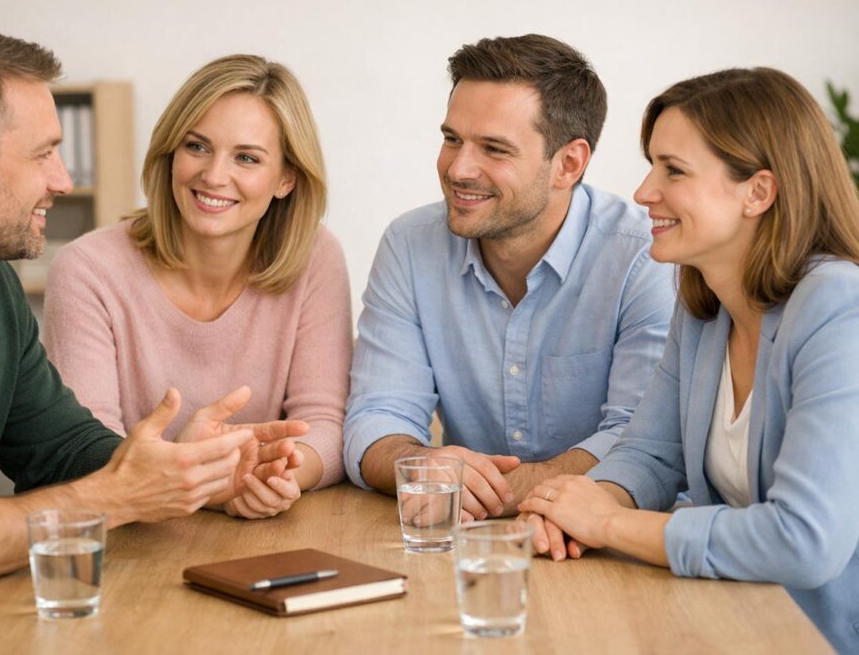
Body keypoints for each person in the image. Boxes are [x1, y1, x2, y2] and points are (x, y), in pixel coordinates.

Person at [0, 28, 305, 651]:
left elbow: (58, 447)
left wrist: (182, 469)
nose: (61, 179)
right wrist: (113, 497)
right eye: (42, 154)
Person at [518, 67, 859, 653]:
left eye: (673, 170)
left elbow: (805, 540)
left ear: (758, 191)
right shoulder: (706, 305)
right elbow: (652, 453)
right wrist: (578, 505)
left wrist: (607, 523)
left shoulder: (839, 310)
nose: (646, 191)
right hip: (728, 620)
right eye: (653, 165)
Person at [343, 35, 675, 525]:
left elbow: (639, 440)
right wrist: (421, 465)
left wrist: (488, 492)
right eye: (452, 138)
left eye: (494, 149)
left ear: (568, 164)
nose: (458, 168)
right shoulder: (410, 245)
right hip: (467, 546)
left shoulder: (643, 255)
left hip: (607, 539)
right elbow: (377, 416)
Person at [44, 54, 352, 518]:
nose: (213, 176)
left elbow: (325, 422)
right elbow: (84, 451)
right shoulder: (88, 269)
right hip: (130, 542)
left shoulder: (315, 258)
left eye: (246, 157)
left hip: (261, 539)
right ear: (171, 153)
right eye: (197, 147)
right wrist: (205, 479)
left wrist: (280, 474)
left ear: (286, 178)